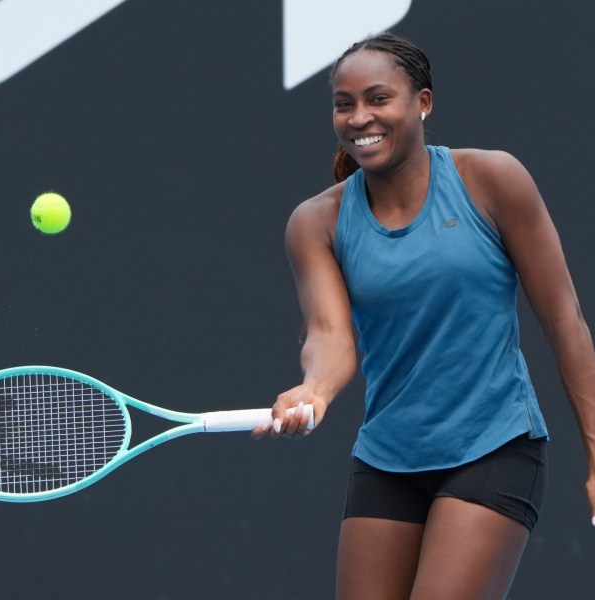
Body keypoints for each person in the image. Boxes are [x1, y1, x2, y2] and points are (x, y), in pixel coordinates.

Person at [253, 33, 595, 599]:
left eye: (378, 99)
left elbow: (565, 321)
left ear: (423, 103)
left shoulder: (493, 180)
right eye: (344, 104)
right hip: (388, 458)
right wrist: (312, 389)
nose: (360, 117)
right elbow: (331, 336)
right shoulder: (314, 223)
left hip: (494, 445)